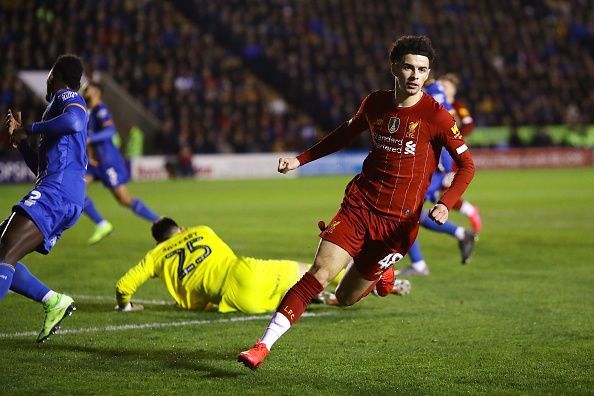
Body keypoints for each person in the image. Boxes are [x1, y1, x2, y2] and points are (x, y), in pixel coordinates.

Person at [238, 35, 475, 370]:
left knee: (345, 298)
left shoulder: (437, 117)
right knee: (319, 273)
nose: (414, 75)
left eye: (421, 69)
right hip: (360, 206)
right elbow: (343, 135)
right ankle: (262, 346)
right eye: (408, 66)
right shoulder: (375, 103)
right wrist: (300, 160)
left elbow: (467, 165)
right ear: (394, 67)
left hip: (397, 225)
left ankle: (383, 275)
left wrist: (446, 203)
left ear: (427, 74)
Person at [2, 54, 88, 343]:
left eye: (50, 74)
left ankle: (54, 301)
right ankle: (54, 301)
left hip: (58, 193)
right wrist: (22, 142)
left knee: (4, 251)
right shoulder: (54, 111)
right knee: (3, 251)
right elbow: (41, 167)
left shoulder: (67, 98)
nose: (48, 79)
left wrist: (31, 128)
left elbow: (76, 121)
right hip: (58, 191)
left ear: (55, 75)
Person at [115, 217, 342, 314]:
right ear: (181, 229)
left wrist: (125, 306)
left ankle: (313, 296)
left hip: (235, 300)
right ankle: (351, 279)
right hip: (246, 271)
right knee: (311, 271)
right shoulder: (202, 230)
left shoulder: (156, 256)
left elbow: (124, 286)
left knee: (279, 299)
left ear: (158, 242)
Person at [82, 82, 160, 245]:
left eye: (87, 89)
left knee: (125, 200)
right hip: (95, 164)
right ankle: (102, 224)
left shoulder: (100, 110)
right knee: (75, 190)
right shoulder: (89, 112)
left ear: (96, 92)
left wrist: (90, 139)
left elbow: (110, 131)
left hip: (108, 162)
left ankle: (159, 221)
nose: (84, 91)